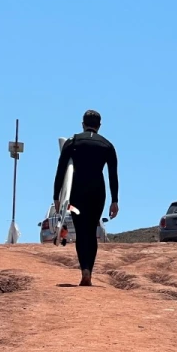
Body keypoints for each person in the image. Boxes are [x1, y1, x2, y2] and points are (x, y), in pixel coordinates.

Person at [53, 110, 119, 286]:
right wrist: (115, 200)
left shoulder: (72, 142)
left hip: (76, 193)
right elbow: (113, 175)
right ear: (99, 125)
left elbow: (61, 170)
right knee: (91, 229)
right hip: (98, 192)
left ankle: (85, 270)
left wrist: (56, 196)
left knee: (81, 231)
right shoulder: (107, 145)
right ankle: (89, 268)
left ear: (82, 123)